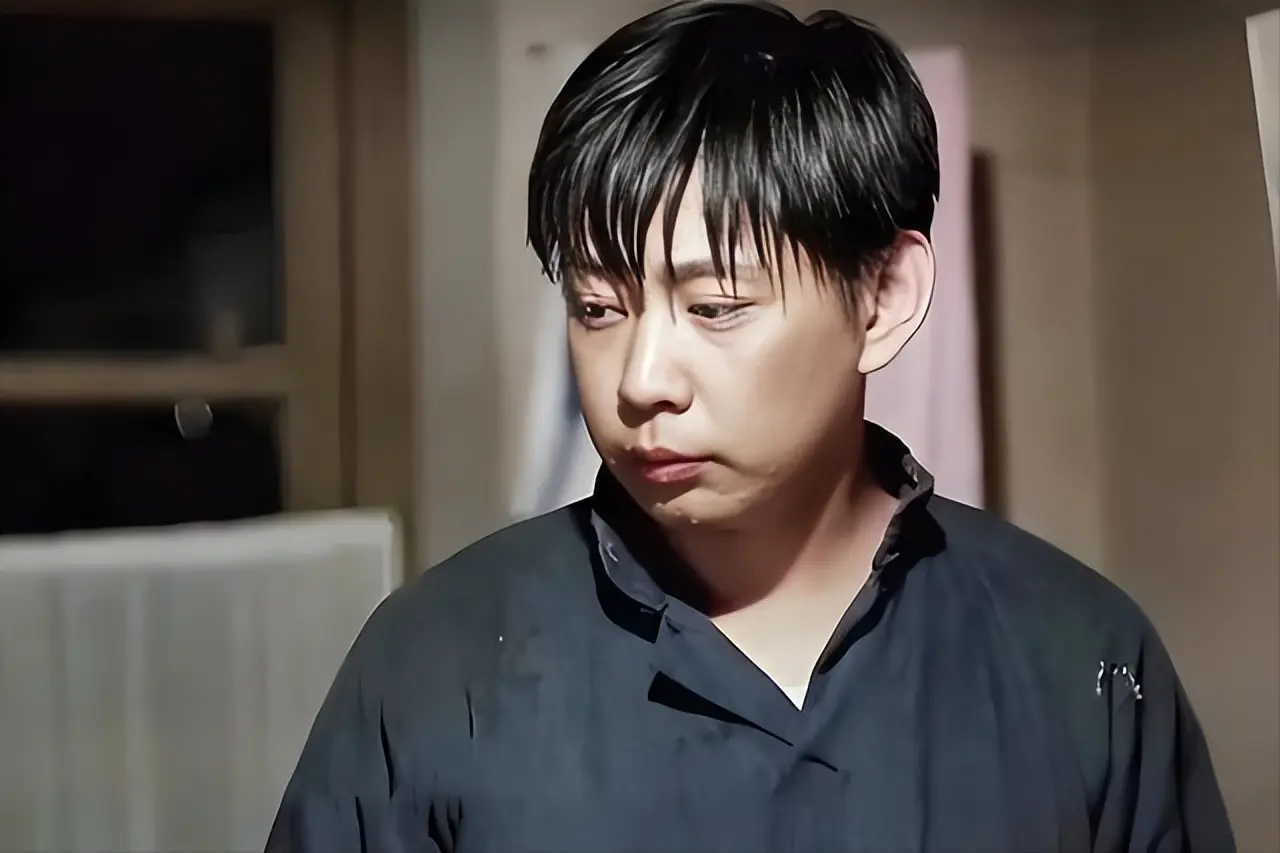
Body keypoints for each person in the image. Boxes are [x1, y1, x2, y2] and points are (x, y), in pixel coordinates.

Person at [266, 2, 1235, 850]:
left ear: (883, 298)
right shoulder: (437, 662)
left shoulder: (1080, 657)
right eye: (598, 309)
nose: (640, 380)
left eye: (716, 306)